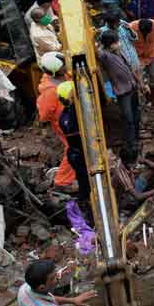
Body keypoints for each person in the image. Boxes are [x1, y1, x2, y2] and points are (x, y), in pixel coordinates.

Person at [98, 30, 142, 164]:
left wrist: (140, 83)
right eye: (116, 42)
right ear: (109, 44)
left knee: (136, 113)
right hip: (122, 92)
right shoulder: (104, 55)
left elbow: (129, 68)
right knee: (127, 118)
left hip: (132, 87)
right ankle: (130, 143)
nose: (119, 44)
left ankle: (136, 136)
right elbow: (95, 51)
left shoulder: (119, 52)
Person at [36, 52, 76, 190]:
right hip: (64, 124)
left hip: (72, 117)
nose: (66, 66)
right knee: (72, 148)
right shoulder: (50, 91)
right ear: (57, 69)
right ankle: (62, 181)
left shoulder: (62, 76)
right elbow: (45, 113)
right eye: (64, 65)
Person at [56, 81, 91, 213]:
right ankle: (86, 206)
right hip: (78, 154)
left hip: (76, 153)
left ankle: (84, 201)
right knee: (85, 182)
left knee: (84, 181)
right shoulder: (71, 116)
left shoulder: (65, 114)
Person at [129, 18, 154, 94]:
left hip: (151, 54)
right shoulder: (131, 28)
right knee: (139, 77)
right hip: (138, 56)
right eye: (144, 33)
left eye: (148, 33)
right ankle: (142, 94)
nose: (146, 35)